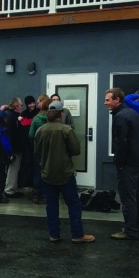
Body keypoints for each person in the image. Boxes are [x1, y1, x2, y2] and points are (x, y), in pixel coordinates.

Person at [35, 100, 95, 244]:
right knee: (73, 204)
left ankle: (54, 234)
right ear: (61, 114)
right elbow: (76, 150)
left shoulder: (40, 130)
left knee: (51, 204)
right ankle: (77, 234)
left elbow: (37, 152)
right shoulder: (66, 130)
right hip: (65, 173)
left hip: (47, 173)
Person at [105, 87, 139, 240]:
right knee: (137, 198)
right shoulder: (133, 113)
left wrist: (119, 162)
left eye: (108, 100)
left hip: (128, 164)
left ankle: (130, 231)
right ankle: (137, 228)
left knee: (128, 199)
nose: (105, 103)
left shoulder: (120, 116)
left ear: (117, 100)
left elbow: (121, 142)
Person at [3, 98, 26, 198]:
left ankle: (12, 188)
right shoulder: (13, 117)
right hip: (15, 148)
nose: (22, 106)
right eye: (21, 105)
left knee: (13, 169)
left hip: (12, 147)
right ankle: (10, 190)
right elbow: (13, 134)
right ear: (16, 106)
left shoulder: (9, 116)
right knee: (13, 169)